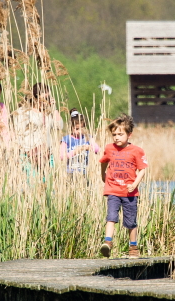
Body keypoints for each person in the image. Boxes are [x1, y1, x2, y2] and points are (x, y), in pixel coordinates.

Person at [99, 115, 148, 259]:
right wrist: (103, 175)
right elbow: (103, 162)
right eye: (114, 135)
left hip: (129, 193)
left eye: (120, 134)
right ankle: (107, 243)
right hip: (113, 190)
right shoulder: (109, 148)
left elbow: (142, 169)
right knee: (111, 217)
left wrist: (134, 184)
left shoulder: (136, 151)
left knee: (131, 221)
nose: (116, 137)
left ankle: (133, 248)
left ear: (129, 134)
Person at [12, 82, 62, 170]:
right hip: (29, 156)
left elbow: (59, 126)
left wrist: (54, 108)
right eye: (45, 98)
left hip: (47, 154)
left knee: (49, 182)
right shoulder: (24, 112)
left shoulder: (48, 113)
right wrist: (28, 152)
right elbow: (18, 134)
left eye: (49, 97)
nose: (47, 100)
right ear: (36, 97)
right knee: (33, 182)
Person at [59, 109, 98, 176]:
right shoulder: (66, 139)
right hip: (70, 172)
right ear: (71, 127)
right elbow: (62, 156)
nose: (79, 131)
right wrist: (75, 152)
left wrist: (90, 147)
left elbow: (97, 149)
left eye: (82, 128)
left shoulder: (87, 138)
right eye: (77, 129)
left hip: (84, 172)